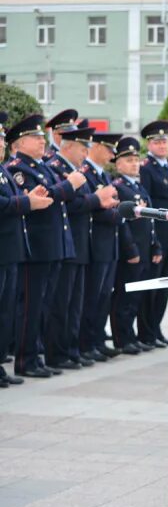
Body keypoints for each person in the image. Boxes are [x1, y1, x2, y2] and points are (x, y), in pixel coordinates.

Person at [7, 114, 87, 378]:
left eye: (42, 137)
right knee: (29, 307)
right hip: (37, 246)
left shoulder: (42, 166)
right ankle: (25, 360)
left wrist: (64, 186)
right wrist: (70, 185)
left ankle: (36, 356)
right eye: (34, 137)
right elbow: (40, 199)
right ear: (17, 144)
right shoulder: (19, 168)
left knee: (44, 304)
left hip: (53, 245)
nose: (41, 141)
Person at [44, 125, 118, 369]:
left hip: (80, 244)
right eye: (82, 147)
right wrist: (98, 199)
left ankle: (72, 350)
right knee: (62, 304)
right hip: (68, 243)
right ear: (68, 146)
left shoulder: (76, 170)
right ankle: (58, 353)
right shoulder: (56, 168)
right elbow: (69, 204)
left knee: (76, 304)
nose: (85, 152)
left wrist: (98, 200)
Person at [0, 112, 54, 386]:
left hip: (11, 250)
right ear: (17, 145)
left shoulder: (3, 171)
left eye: (0, 136)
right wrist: (27, 202)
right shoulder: (13, 168)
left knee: (7, 310)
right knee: (13, 308)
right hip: (10, 249)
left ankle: (6, 363)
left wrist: (26, 200)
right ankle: (22, 359)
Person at [110, 137, 162, 355]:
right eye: (129, 160)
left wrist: (156, 245)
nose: (134, 164)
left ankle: (131, 335)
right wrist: (130, 248)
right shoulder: (119, 188)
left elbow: (150, 220)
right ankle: (122, 338)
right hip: (130, 251)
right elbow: (122, 223)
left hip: (145, 248)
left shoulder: (139, 186)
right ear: (118, 164)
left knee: (136, 298)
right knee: (124, 297)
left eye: (136, 160)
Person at [78, 133, 124, 361]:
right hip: (95, 243)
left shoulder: (102, 174)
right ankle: (86, 344)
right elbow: (94, 208)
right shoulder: (85, 173)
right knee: (92, 296)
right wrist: (113, 213)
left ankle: (96, 339)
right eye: (108, 149)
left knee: (104, 295)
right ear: (95, 147)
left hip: (108, 243)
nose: (112, 154)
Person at [138, 121, 168, 348]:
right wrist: (154, 241)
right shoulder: (146, 168)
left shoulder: (166, 167)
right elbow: (148, 204)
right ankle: (146, 332)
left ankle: (156, 330)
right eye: (157, 142)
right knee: (152, 286)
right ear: (149, 144)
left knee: (163, 287)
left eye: (165, 141)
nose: (162, 145)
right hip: (158, 237)